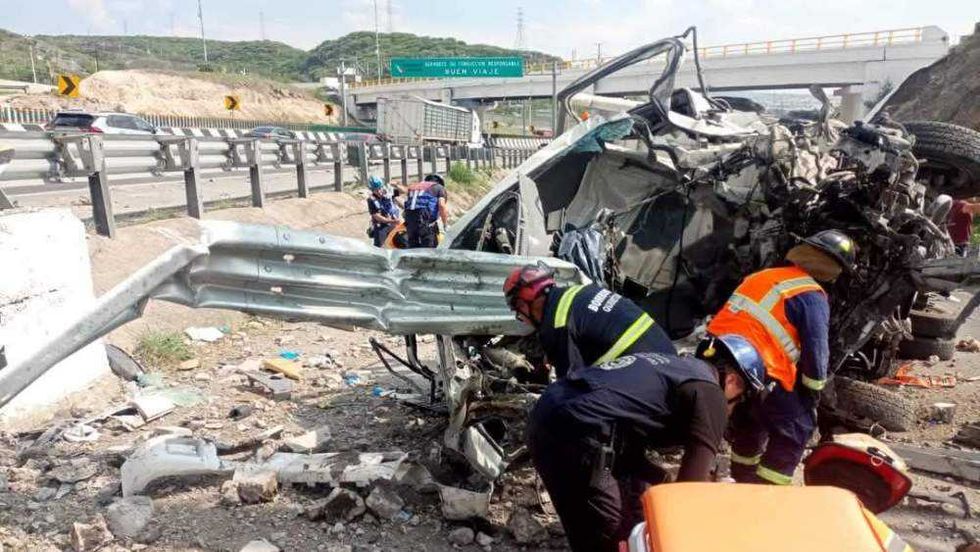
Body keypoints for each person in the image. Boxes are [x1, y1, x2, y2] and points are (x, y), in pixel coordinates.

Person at [527, 338, 766, 552]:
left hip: (548, 414)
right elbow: (689, 491)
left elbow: (627, 438)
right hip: (579, 430)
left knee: (591, 523)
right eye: (740, 401)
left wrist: (660, 478)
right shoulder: (711, 394)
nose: (734, 410)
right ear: (732, 381)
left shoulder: (672, 368)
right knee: (616, 535)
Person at [705, 229, 856, 485]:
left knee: (752, 419)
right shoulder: (811, 295)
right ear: (834, 269)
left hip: (717, 357)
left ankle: (742, 478)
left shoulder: (763, 276)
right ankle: (769, 489)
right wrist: (813, 392)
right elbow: (816, 351)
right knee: (797, 427)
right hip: (760, 366)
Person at [502, 265, 676, 378]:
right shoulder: (578, 292)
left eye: (518, 312)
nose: (522, 319)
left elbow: (571, 385)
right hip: (670, 360)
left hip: (648, 375)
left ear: (524, 304)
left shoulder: (557, 325)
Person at [404, 174, 448, 248]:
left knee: (412, 249)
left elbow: (409, 204)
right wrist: (445, 225)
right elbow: (442, 205)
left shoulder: (414, 187)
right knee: (429, 250)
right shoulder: (439, 187)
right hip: (425, 221)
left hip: (409, 221)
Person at [366, 176, 401, 247]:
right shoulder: (371, 200)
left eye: (380, 188)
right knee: (380, 247)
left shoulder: (389, 192)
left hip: (394, 224)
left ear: (382, 186)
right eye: (375, 190)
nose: (379, 191)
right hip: (381, 226)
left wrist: (397, 185)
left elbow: (403, 192)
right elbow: (376, 216)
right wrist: (391, 221)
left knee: (401, 243)